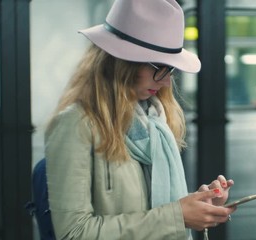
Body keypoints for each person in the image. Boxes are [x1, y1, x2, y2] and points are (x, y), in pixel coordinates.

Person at [44, 0, 235, 239]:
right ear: (121, 63)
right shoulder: (76, 125)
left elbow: (150, 207)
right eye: (160, 66)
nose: (166, 82)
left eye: (171, 69)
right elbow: (73, 233)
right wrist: (177, 216)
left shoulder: (154, 122)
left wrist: (196, 204)